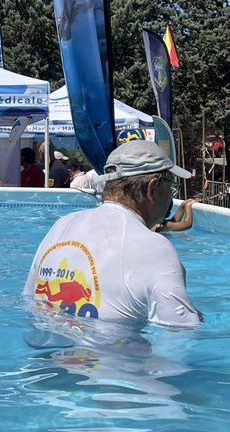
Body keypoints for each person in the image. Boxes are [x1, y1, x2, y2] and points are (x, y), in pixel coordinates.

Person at [25, 140, 199, 327]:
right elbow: (180, 336)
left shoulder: (60, 226)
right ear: (152, 188)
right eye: (170, 187)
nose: (171, 197)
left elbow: (29, 301)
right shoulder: (155, 248)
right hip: (116, 355)